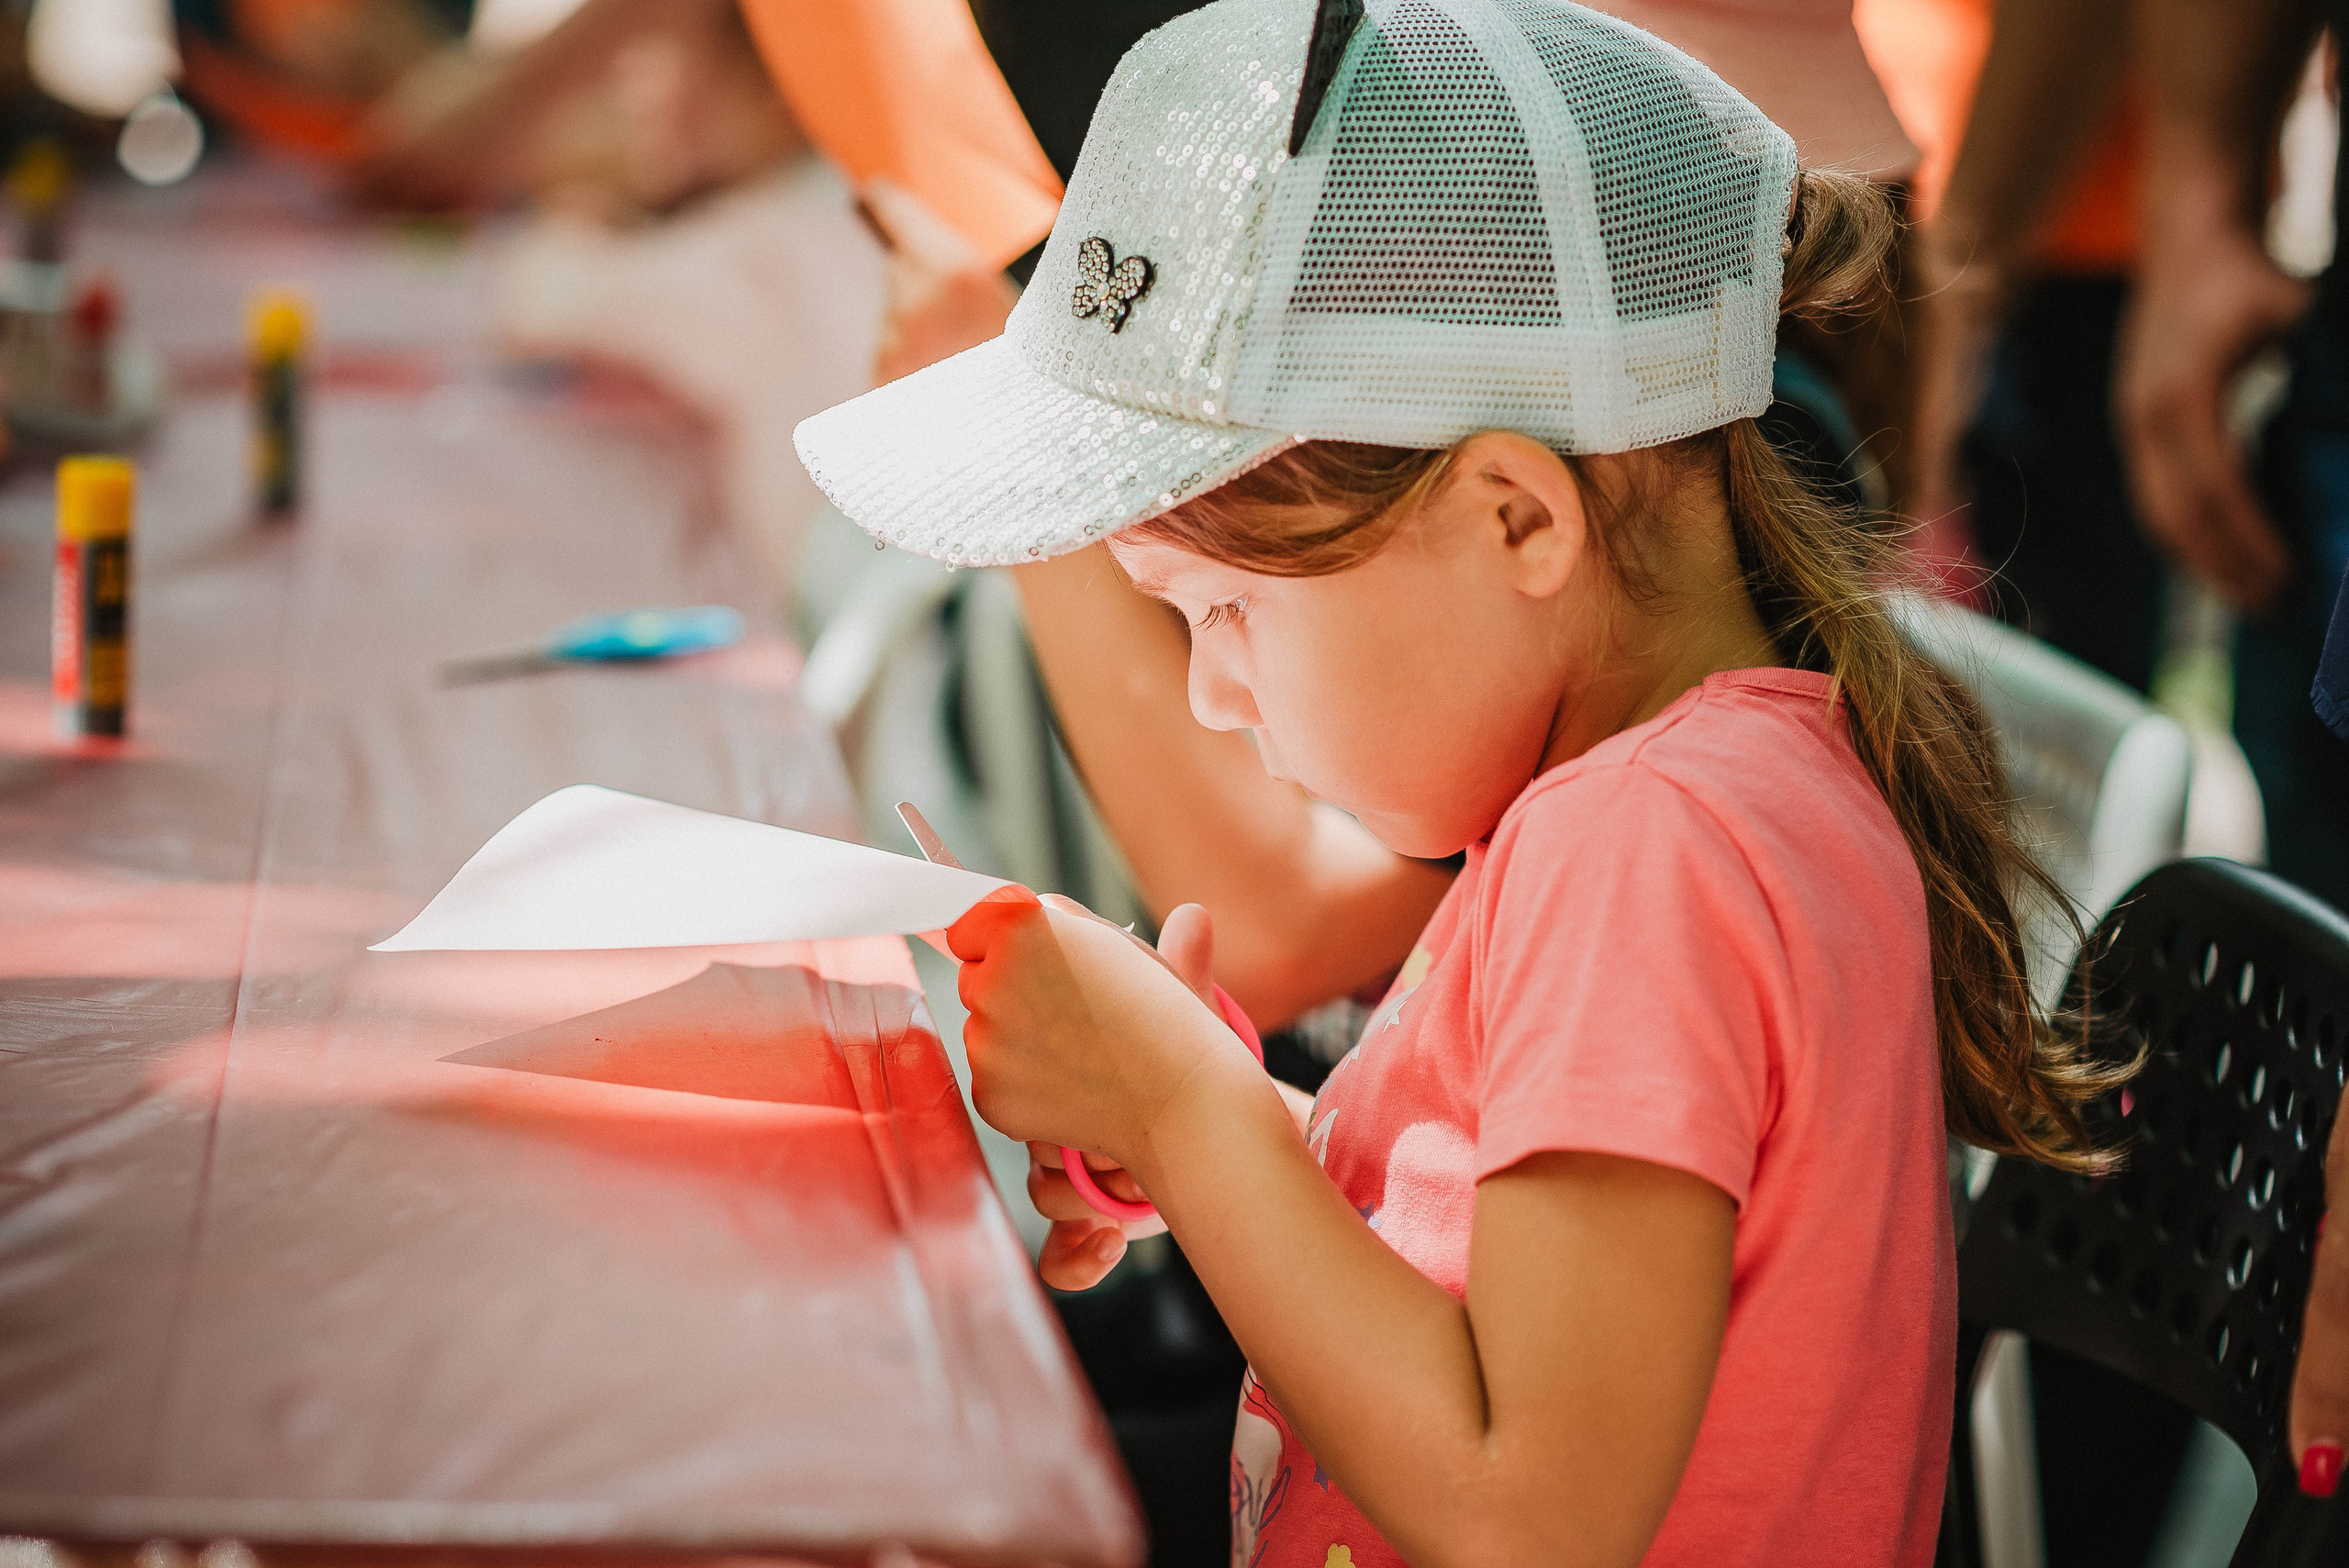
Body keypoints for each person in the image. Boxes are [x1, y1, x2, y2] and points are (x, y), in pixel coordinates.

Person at [793, 2, 2128, 1561]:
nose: (1215, 695)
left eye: (1228, 611)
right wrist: (1213, 1146)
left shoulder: (1652, 850)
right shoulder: (1668, 789)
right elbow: (1511, 1262)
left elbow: (1528, 1509)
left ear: (1518, 521)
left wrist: (1189, 1100)